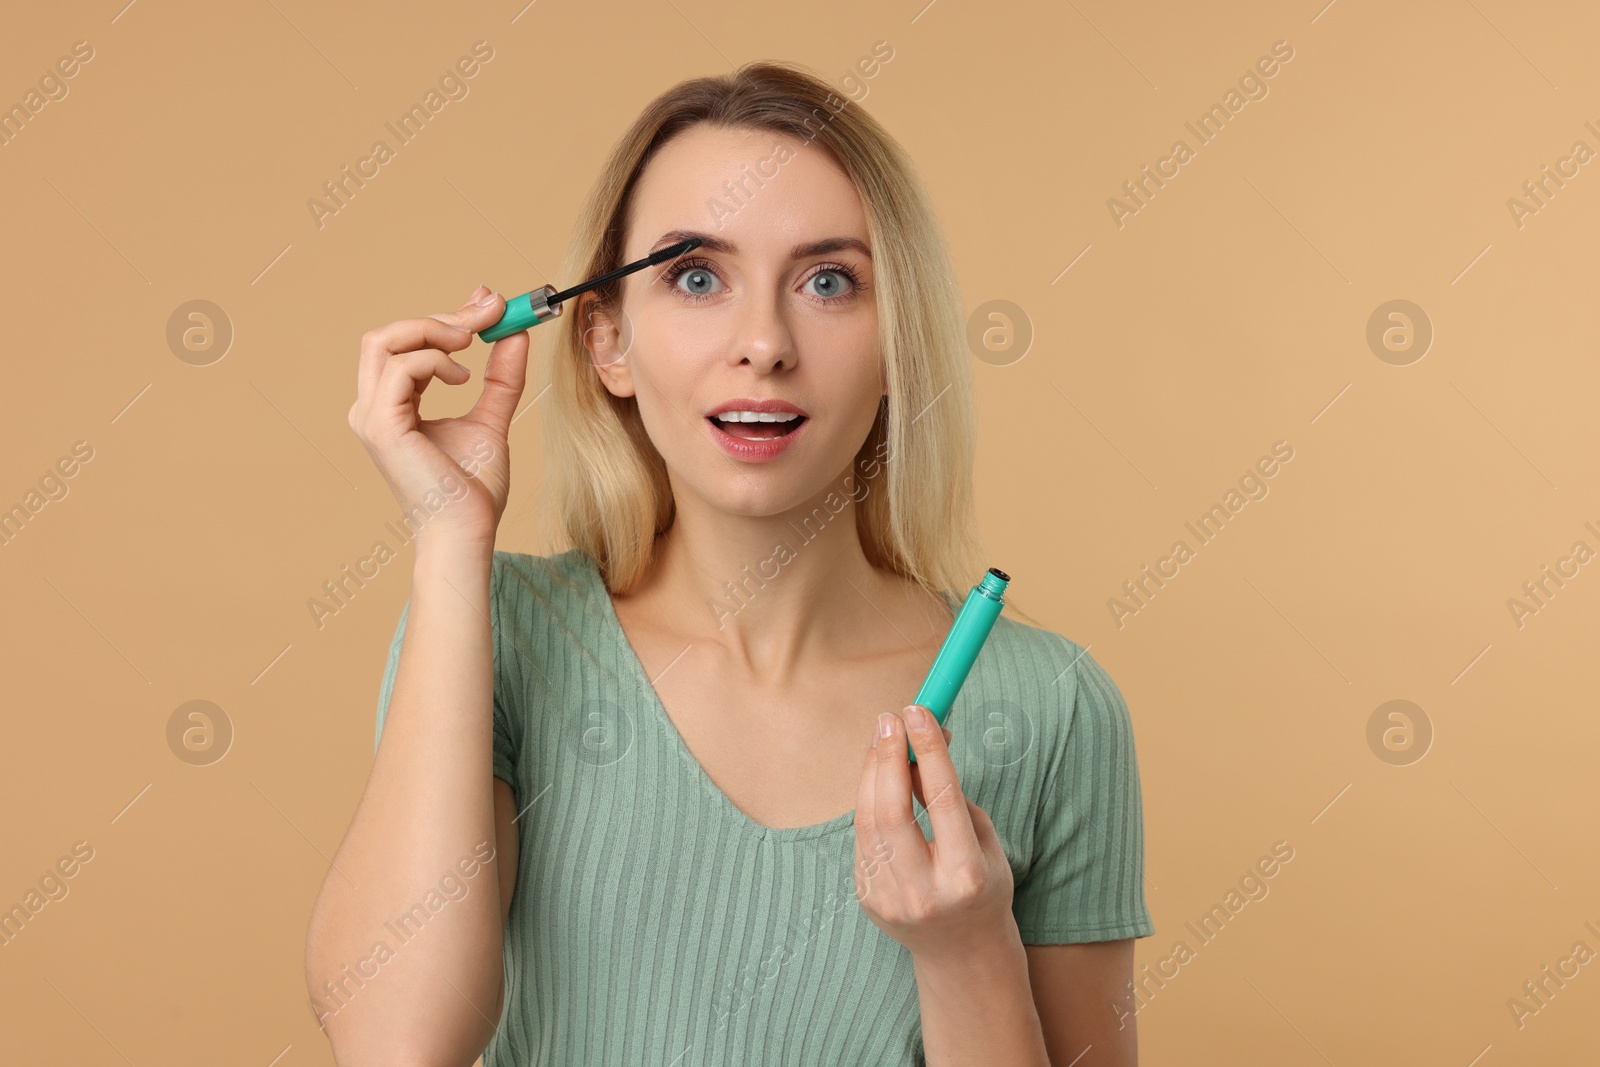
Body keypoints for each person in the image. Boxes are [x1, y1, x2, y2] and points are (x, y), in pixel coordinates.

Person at [306, 60, 1153, 1066]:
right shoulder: (496, 633)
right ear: (606, 341)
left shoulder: (1055, 706)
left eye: (829, 280)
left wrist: (965, 950)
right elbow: (396, 1044)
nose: (763, 342)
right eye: (696, 277)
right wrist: (450, 539)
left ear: (898, 343)